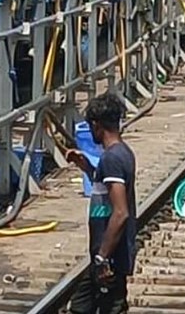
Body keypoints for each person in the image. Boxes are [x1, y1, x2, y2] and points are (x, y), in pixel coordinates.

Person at [67, 92, 137, 314]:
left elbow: (120, 213)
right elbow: (107, 192)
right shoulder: (121, 153)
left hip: (109, 258)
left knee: (106, 307)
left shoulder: (112, 158)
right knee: (80, 307)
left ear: (96, 126)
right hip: (106, 256)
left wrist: (102, 257)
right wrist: (87, 167)